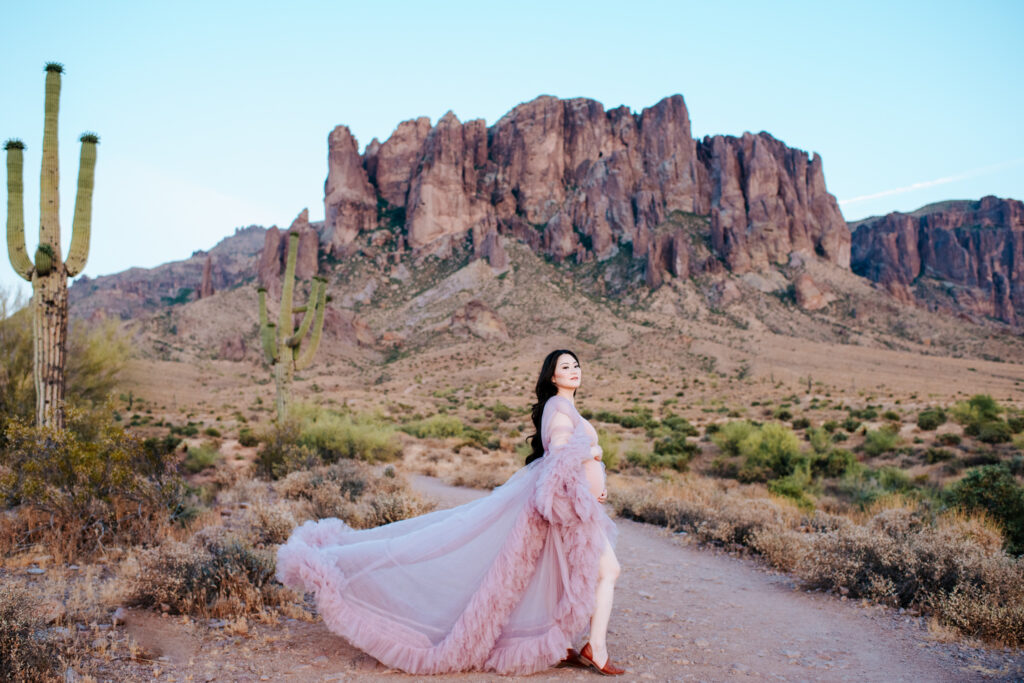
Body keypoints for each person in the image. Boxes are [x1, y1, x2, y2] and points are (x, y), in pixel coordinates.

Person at [275, 349, 625, 675]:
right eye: (565, 367)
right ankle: (597, 648)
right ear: (552, 377)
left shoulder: (568, 408)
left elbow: (567, 464)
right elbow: (561, 456)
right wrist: (593, 451)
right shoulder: (557, 409)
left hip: (578, 507)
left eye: (576, 365)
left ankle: (562, 643)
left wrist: (596, 486)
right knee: (607, 569)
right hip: (566, 509)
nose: (573, 371)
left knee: (554, 572)